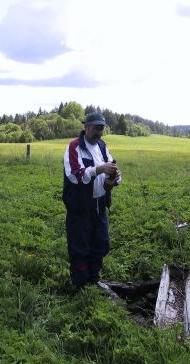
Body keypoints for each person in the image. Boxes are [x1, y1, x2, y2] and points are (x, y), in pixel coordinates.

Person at [62, 112, 121, 288]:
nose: (99, 133)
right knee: (80, 247)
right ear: (86, 127)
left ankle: (93, 279)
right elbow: (75, 175)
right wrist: (99, 169)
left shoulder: (102, 146)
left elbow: (113, 169)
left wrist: (114, 178)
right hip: (79, 206)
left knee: (101, 244)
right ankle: (80, 286)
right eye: (96, 128)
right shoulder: (74, 147)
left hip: (99, 205)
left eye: (102, 129)